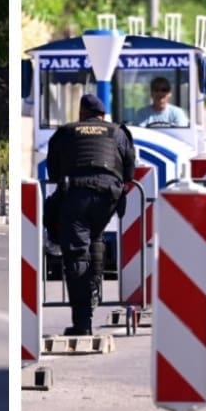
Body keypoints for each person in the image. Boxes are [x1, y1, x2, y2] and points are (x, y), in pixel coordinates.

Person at [45, 93, 135, 336]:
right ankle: (94, 286)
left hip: (76, 195)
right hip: (109, 195)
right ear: (103, 115)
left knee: (76, 254)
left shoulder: (66, 131)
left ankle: (82, 321)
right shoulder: (117, 131)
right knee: (94, 236)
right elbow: (129, 170)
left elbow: (52, 170)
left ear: (81, 113)